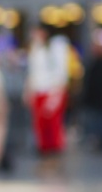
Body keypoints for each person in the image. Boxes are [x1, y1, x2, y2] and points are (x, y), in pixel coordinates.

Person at [24, 26, 70, 155]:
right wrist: (28, 91)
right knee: (40, 125)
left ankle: (54, 152)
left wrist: (56, 94)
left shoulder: (56, 48)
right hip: (39, 92)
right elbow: (32, 73)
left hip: (52, 92)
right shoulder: (35, 50)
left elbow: (61, 73)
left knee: (53, 124)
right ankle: (44, 149)